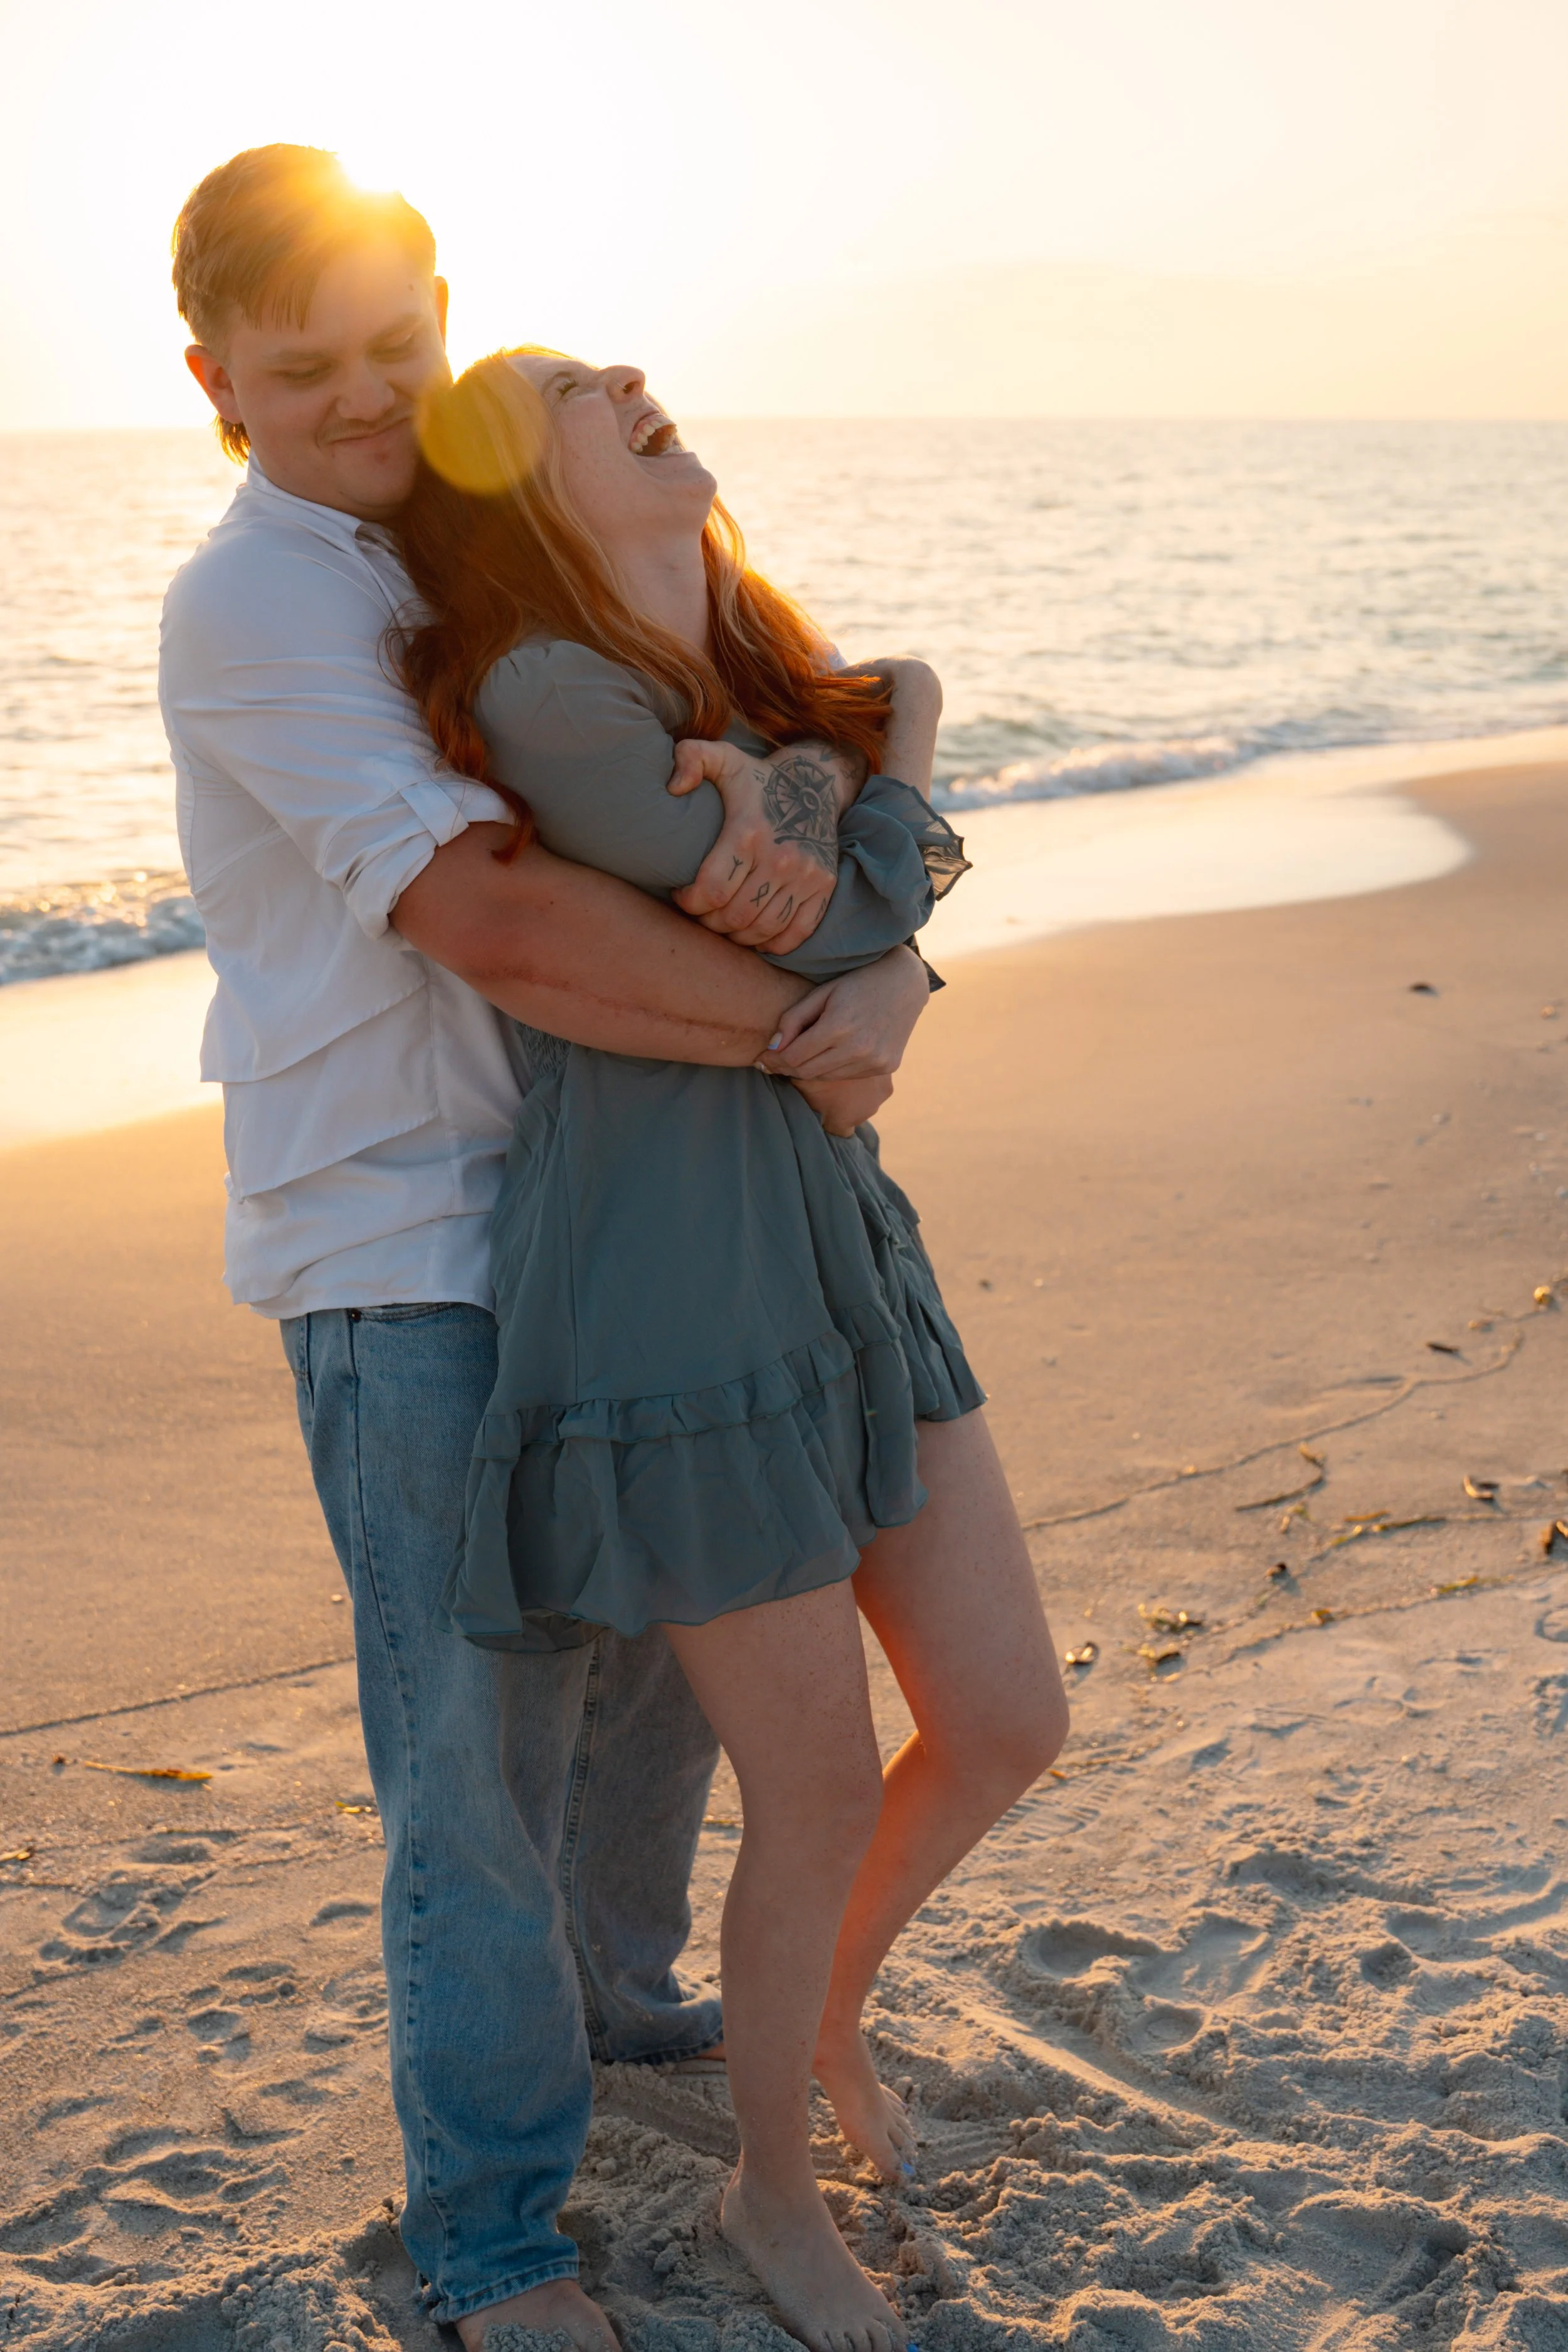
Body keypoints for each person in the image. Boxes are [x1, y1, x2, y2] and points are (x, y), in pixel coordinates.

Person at [159, 144, 933, 2352]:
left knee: (645, 1699)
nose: (364, 396)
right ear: (215, 380)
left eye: (397, 345)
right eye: (301, 369)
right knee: (472, 1764)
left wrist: (865, 943)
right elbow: (492, 913)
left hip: (605, 1213)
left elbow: (783, 763)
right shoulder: (266, 601)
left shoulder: (476, 546)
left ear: (440, 312)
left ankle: (614, 2004)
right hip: (403, 1243)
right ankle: (494, 2231)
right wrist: (820, 1032)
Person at [392, 350, 1071, 2352]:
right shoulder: (548, 691)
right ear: (521, 493)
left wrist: (875, 751)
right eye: (567, 391)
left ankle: (818, 2014)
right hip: (668, 1285)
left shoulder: (756, 690)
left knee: (1007, 1714)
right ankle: (775, 2184)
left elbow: (857, 923)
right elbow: (811, 936)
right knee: (816, 1781)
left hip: (841, 1244)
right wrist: (896, 759)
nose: (626, 380)